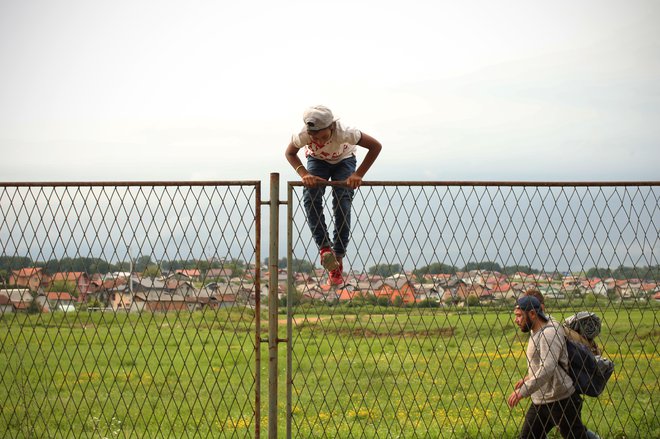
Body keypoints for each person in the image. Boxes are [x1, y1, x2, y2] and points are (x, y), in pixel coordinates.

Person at [285, 105, 382, 286]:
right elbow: (289, 153)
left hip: (344, 159)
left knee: (342, 201)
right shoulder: (302, 136)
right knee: (311, 198)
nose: (319, 141)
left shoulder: (346, 132)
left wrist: (358, 174)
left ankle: (338, 256)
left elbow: (376, 146)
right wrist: (304, 174)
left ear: (332, 127)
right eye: (314, 138)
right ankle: (324, 249)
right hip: (317, 160)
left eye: (323, 137)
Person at [508, 295, 599, 439]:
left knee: (577, 436)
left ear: (532, 313)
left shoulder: (548, 334)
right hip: (541, 400)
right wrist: (529, 378)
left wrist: (522, 392)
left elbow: (548, 368)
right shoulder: (536, 329)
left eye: (519, 316)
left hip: (561, 400)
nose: (516, 320)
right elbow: (545, 363)